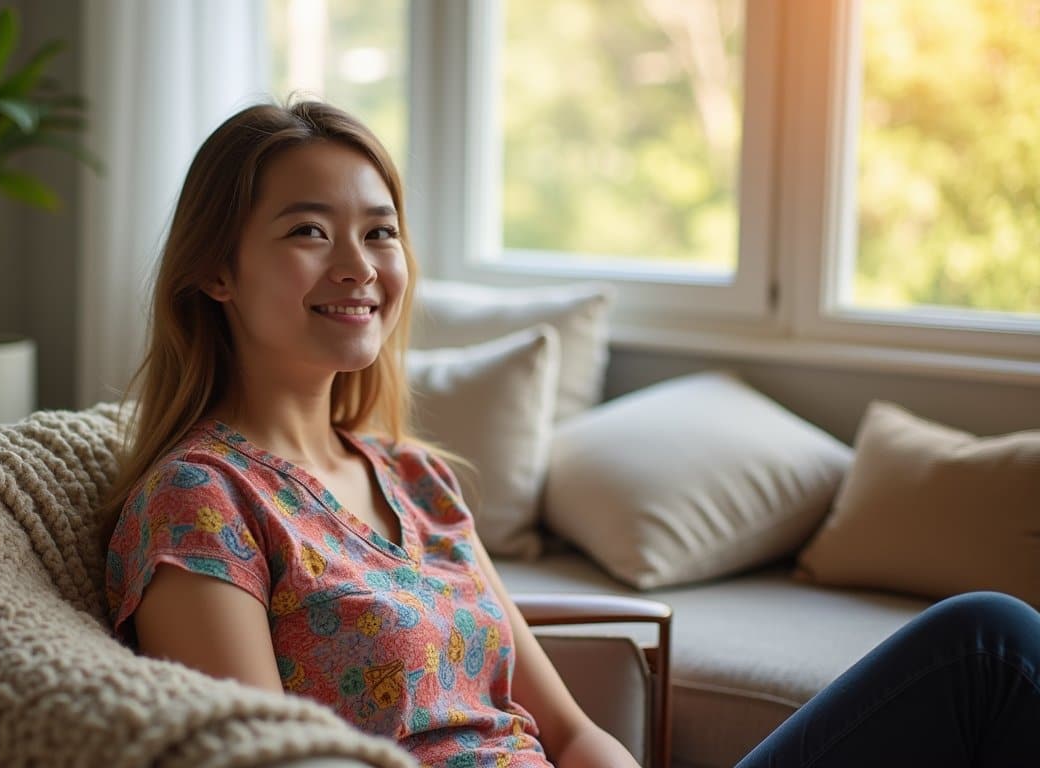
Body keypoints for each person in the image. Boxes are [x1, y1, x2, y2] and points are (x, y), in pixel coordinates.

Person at [101, 99, 1040, 767]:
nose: (360, 266)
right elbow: (264, 762)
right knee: (986, 650)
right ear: (215, 272)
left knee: (984, 639)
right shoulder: (201, 503)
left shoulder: (415, 478)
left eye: (380, 232)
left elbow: (569, 729)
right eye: (309, 231)